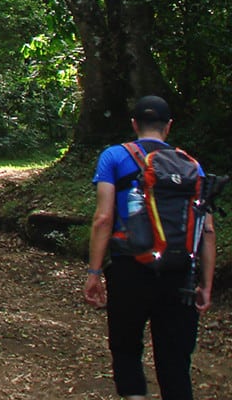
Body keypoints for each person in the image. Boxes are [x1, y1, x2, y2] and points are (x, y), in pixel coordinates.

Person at [83, 95, 216, 400]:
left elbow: (103, 218)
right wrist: (206, 283)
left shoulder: (113, 157)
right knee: (175, 360)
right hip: (180, 273)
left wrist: (94, 272)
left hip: (130, 267)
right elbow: (206, 229)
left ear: (134, 125)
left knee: (126, 347)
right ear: (168, 126)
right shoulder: (192, 166)